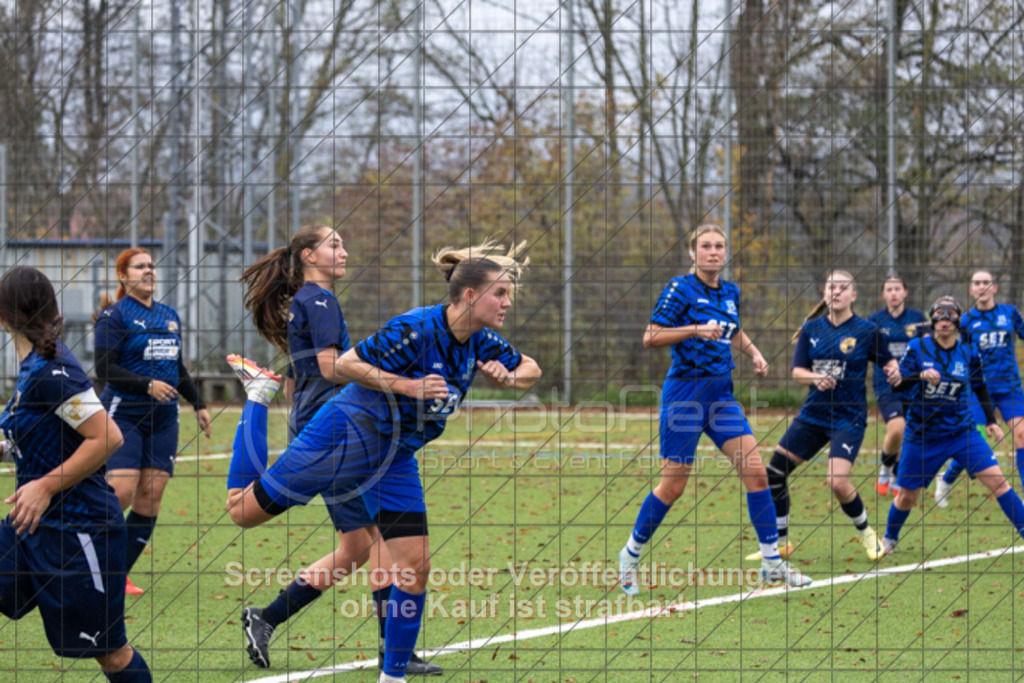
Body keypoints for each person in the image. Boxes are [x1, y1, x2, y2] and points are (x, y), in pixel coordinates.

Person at [225, 240, 542, 683]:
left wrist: (509, 377)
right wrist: (407, 386)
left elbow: (532, 368)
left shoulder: (481, 341)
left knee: (415, 562)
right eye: (501, 293)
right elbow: (347, 364)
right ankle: (258, 398)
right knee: (243, 512)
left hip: (395, 458)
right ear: (471, 296)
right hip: (342, 438)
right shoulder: (415, 327)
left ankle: (392, 676)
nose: (508, 302)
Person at [230, 225, 440, 675]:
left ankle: (265, 618)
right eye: (335, 244)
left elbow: (299, 378)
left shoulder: (306, 300)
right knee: (383, 539)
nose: (344, 251)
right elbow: (330, 368)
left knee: (358, 546)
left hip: (325, 426)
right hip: (342, 435)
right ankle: (392, 654)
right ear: (309, 255)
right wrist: (385, 375)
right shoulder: (319, 299)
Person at [617, 224, 812, 594]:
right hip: (685, 396)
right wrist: (693, 329)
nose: (713, 252)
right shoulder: (680, 288)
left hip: (722, 397)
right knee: (673, 487)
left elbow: (733, 329)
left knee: (756, 474)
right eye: (705, 246)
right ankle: (630, 554)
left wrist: (754, 352)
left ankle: (772, 563)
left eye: (719, 246)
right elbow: (650, 336)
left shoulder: (730, 291)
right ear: (693, 253)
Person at [0, 266, 152, 681]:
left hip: (79, 531)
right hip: (31, 525)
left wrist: (45, 486)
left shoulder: (54, 372)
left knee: (111, 653)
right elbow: (47, 437)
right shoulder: (33, 367)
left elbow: (107, 438)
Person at [93, 248, 212, 595]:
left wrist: (199, 403)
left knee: (151, 497)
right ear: (123, 276)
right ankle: (85, 559)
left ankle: (115, 576)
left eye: (151, 266)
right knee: (123, 491)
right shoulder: (113, 317)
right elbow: (104, 369)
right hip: (123, 413)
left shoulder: (169, 315)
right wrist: (146, 385)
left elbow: (177, 367)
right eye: (140, 266)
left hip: (163, 418)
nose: (149, 271)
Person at [760, 270, 898, 562]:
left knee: (837, 482)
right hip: (813, 415)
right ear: (824, 294)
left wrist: (896, 370)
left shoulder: (866, 330)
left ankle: (866, 533)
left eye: (842, 287)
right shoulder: (811, 329)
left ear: (853, 295)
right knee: (774, 474)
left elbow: (889, 362)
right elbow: (797, 372)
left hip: (848, 418)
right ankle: (782, 542)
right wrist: (815, 377)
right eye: (830, 287)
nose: (835, 291)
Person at [883, 296, 1024, 553]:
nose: (944, 321)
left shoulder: (968, 351)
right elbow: (898, 383)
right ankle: (890, 536)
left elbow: (980, 387)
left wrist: (991, 421)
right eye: (939, 315)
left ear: (958, 321)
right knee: (907, 496)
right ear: (932, 320)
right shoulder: (917, 347)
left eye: (950, 316)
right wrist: (920, 375)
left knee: (999, 482)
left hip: (962, 432)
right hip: (923, 435)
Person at [934, 270, 1024, 508]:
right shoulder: (964, 321)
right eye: (977, 283)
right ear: (971, 289)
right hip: (977, 390)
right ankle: (947, 478)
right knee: (975, 440)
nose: (982, 286)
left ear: (994, 287)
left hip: (1009, 388)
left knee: (1022, 435)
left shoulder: (1009, 313)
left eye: (986, 282)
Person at [868, 275, 927, 496]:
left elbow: (927, 348)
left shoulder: (917, 318)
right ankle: (886, 468)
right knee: (897, 428)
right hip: (887, 385)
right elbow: (867, 349)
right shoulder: (874, 320)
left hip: (912, 385)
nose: (893, 293)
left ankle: (894, 475)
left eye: (897, 289)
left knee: (909, 432)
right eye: (889, 289)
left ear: (905, 292)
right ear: (883, 294)